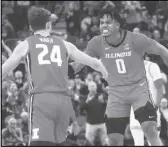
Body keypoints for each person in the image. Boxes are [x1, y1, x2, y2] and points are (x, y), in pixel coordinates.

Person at [2, 6, 108, 146]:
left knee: (39, 143)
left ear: (31, 27)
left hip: (42, 100)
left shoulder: (26, 44)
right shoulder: (65, 44)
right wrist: (108, 76)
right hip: (63, 102)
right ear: (48, 25)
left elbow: (5, 68)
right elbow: (95, 64)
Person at [71, 7, 168, 146]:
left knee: (150, 129)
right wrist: (60, 72)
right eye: (101, 22)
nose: (103, 25)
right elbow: (79, 64)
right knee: (114, 139)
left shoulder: (136, 39)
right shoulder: (96, 43)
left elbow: (162, 50)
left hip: (139, 90)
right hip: (116, 93)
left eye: (108, 22)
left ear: (118, 25)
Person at [130, 57, 164, 146]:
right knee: (138, 143)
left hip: (150, 108)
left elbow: (160, 89)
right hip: (135, 110)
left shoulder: (151, 66)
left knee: (154, 142)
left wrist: (155, 107)